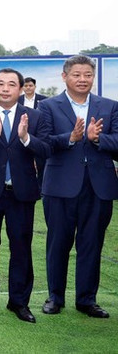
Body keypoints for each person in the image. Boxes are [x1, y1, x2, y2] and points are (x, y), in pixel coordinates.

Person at [37, 55, 118, 318]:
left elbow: (117, 142)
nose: (82, 80)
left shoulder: (110, 106)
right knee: (58, 243)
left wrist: (97, 139)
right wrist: (70, 138)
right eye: (77, 75)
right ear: (65, 76)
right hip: (60, 186)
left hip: (99, 187)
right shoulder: (48, 106)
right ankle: (55, 297)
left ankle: (86, 299)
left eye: (87, 75)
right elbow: (43, 143)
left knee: (91, 244)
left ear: (93, 77)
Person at [0, 68, 49, 323]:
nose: (5, 88)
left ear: (21, 88)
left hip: (21, 193)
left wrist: (26, 139)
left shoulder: (35, 116)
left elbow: (46, 149)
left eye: (11, 84)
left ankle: (19, 301)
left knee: (21, 247)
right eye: (0, 84)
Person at [19, 77, 48, 186]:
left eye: (30, 85)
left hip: (38, 133)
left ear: (35, 87)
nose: (28, 88)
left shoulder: (44, 100)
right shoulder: (18, 100)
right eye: (26, 86)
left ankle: (41, 186)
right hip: (21, 133)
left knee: (41, 161)